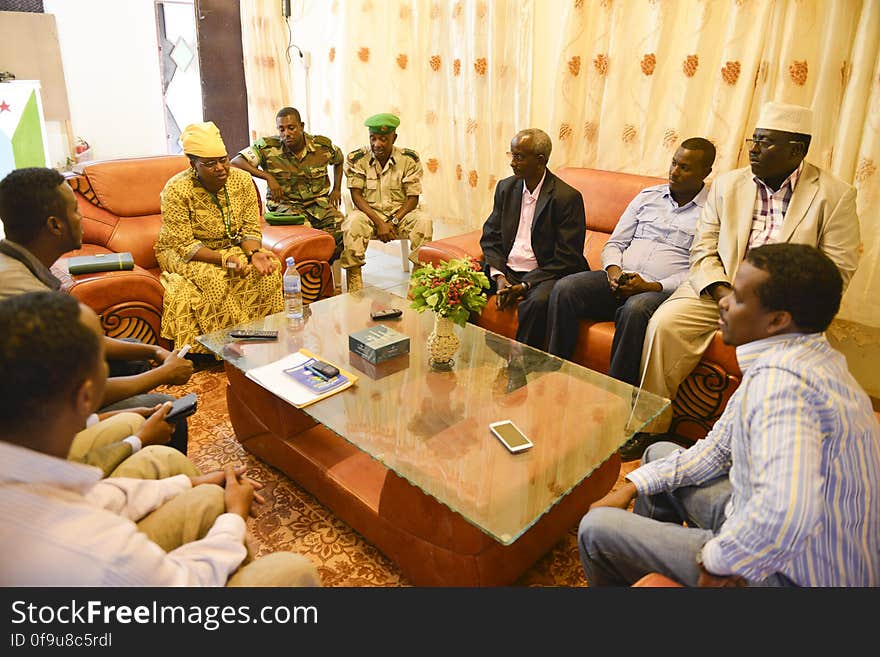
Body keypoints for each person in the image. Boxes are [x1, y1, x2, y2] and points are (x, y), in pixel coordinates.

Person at [578, 243, 880, 587]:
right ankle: (650, 572)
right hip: (788, 536)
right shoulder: (806, 359)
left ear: (778, 319)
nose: (722, 302)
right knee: (657, 456)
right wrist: (631, 486)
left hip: (792, 573)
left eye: (737, 296)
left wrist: (719, 562)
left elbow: (787, 512)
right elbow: (718, 450)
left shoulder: (783, 387)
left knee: (595, 529)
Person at [0, 291, 321, 586]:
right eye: (101, 357)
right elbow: (187, 583)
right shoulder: (99, 547)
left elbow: (90, 494)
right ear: (85, 396)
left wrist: (187, 484)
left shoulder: (27, 474)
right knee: (294, 572)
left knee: (206, 495)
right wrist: (234, 518)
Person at [632, 101, 861, 456]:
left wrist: (785, 311)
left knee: (783, 362)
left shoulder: (833, 194)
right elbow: (703, 249)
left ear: (795, 150)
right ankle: (649, 427)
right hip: (719, 291)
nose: (752, 149)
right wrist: (725, 294)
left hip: (783, 307)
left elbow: (838, 268)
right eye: (754, 139)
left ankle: (755, 450)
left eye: (765, 142)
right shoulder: (728, 184)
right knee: (664, 323)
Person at [0, 166, 193, 452]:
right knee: (165, 410)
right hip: (23, 432)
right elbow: (74, 393)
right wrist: (163, 374)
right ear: (55, 225)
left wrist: (151, 351)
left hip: (38, 395)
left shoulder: (17, 263)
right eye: (76, 211)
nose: (82, 219)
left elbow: (81, 342)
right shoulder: (23, 293)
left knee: (132, 351)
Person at [547, 138, 715, 388]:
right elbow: (615, 243)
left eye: (685, 167)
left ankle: (617, 396)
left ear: (706, 172)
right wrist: (614, 272)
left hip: (661, 291)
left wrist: (652, 286)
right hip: (621, 278)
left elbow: (700, 268)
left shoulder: (713, 211)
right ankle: (553, 374)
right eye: (673, 163)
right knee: (565, 288)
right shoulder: (648, 197)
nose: (674, 172)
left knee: (635, 309)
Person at [155, 121, 283, 354]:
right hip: (182, 252)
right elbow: (185, 245)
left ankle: (268, 337)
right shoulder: (176, 189)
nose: (221, 168)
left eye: (223, 160)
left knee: (270, 266)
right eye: (209, 164)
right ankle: (232, 347)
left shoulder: (242, 180)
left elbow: (249, 229)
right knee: (215, 278)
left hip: (230, 246)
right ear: (192, 164)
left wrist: (254, 253)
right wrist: (224, 260)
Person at [479, 128, 588, 349]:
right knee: (461, 284)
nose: (512, 162)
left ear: (540, 160)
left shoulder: (567, 198)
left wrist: (526, 285)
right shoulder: (506, 188)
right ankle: (462, 353)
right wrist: (499, 276)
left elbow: (568, 257)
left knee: (537, 303)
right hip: (508, 269)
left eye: (519, 156)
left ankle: (521, 369)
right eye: (511, 155)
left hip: (545, 274)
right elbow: (490, 237)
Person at [231, 106, 345, 261]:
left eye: (291, 128)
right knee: (305, 232)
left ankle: (323, 268)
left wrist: (337, 189)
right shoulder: (268, 147)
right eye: (281, 129)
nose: (286, 134)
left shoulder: (321, 146)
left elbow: (339, 159)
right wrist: (268, 177)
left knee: (342, 227)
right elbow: (237, 161)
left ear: (301, 126)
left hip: (318, 205)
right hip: (285, 205)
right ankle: (308, 272)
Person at [340, 113, 433, 292]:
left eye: (383, 139)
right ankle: (355, 282)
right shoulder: (357, 159)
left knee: (424, 221)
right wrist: (380, 223)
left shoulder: (409, 159)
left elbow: (412, 198)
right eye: (373, 138)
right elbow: (356, 196)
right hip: (369, 214)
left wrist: (392, 222)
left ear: (394, 138)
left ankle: (418, 284)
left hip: (400, 214)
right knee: (353, 223)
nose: (377, 144)